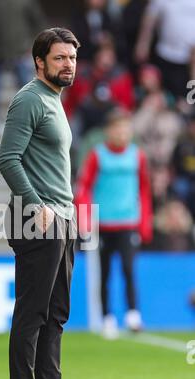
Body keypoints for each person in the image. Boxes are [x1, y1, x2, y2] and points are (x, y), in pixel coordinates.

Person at [0, 28, 101, 379]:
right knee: (32, 313)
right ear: (39, 61)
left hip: (64, 217)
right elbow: (7, 159)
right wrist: (36, 206)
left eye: (72, 58)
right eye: (59, 58)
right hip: (37, 218)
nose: (68, 65)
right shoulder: (28, 100)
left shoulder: (55, 100)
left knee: (56, 313)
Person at [75, 108, 152, 339]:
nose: (121, 133)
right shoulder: (97, 155)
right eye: (117, 128)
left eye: (126, 129)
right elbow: (83, 188)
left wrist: (144, 223)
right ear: (108, 131)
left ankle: (133, 314)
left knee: (129, 269)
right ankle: (107, 317)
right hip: (103, 223)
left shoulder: (137, 155)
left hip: (128, 221)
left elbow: (144, 190)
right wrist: (85, 218)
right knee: (105, 273)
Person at [0, 0, 47, 137]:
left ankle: (34, 125)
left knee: (29, 93)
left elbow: (38, 21)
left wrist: (35, 43)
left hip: (19, 51)